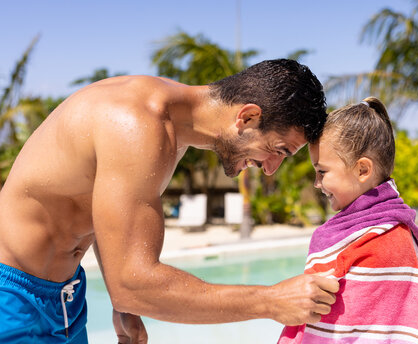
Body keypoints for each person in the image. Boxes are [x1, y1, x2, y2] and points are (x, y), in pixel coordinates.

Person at [0, 59, 340, 343]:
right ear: (247, 117)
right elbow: (133, 280)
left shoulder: (171, 127)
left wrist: (126, 304)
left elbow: (107, 209)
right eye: (278, 150)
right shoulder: (138, 122)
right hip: (10, 297)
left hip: (66, 295)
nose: (271, 169)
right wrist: (271, 301)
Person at [278, 97, 418, 343]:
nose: (316, 183)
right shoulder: (383, 232)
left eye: (322, 171)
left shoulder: (384, 242)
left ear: (363, 170)